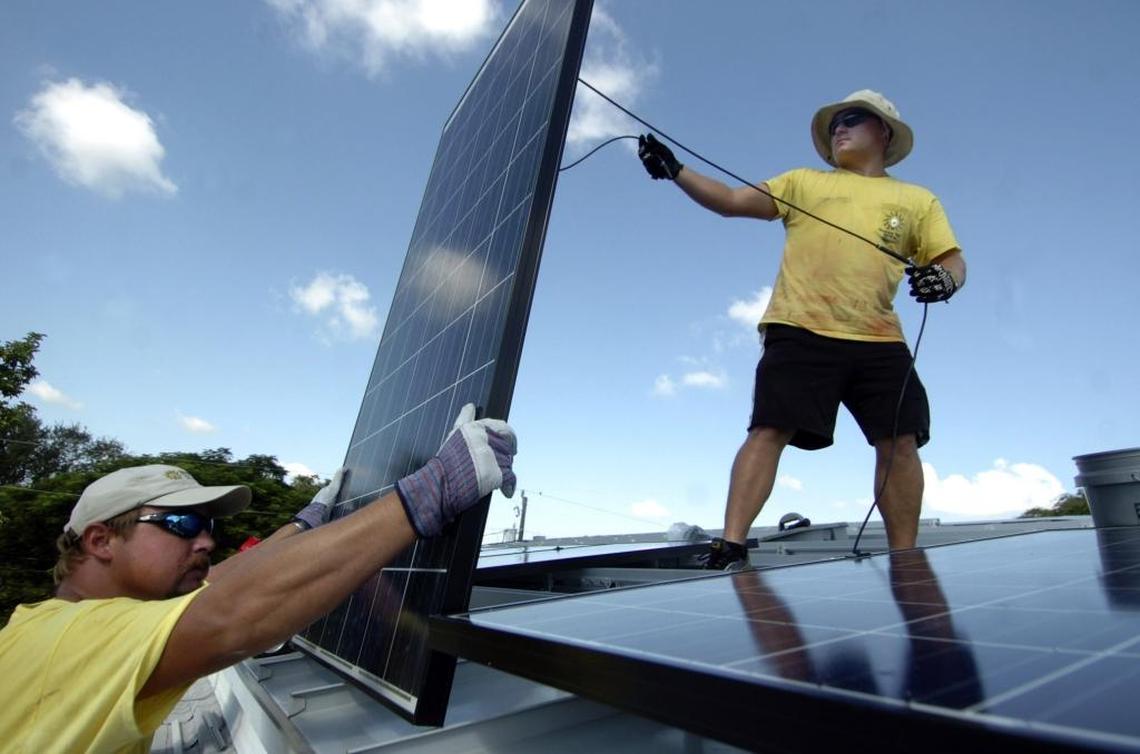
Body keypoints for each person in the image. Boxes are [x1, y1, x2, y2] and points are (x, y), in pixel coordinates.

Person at [0, 404, 516, 753]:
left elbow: (221, 582)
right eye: (180, 524)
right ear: (100, 542)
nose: (204, 541)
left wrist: (305, 522)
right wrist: (431, 491)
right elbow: (233, 615)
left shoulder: (53, 624)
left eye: (207, 526)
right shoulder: (75, 639)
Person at [638, 89, 966, 567]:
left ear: (884, 132)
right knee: (768, 428)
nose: (839, 128)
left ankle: (906, 556)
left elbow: (952, 259)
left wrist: (946, 281)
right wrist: (677, 172)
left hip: (880, 339)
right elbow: (731, 200)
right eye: (835, 122)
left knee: (900, 438)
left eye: (852, 119)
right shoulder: (802, 181)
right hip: (799, 327)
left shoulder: (917, 199)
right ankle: (731, 545)